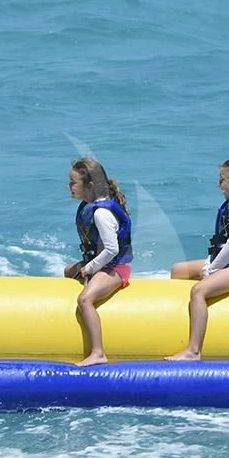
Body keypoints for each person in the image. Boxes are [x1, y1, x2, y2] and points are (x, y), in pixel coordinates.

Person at [165, 157, 229, 361]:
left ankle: (193, 351)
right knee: (178, 270)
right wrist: (210, 264)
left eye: (222, 180)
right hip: (226, 265)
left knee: (199, 290)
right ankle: (177, 327)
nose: (219, 184)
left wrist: (212, 270)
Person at [63, 157, 133, 366]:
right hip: (101, 264)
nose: (69, 186)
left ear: (90, 186)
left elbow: (112, 249)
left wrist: (90, 268)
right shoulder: (89, 206)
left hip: (115, 268)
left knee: (85, 299)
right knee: (67, 271)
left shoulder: (102, 213)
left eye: (73, 182)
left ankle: (98, 352)